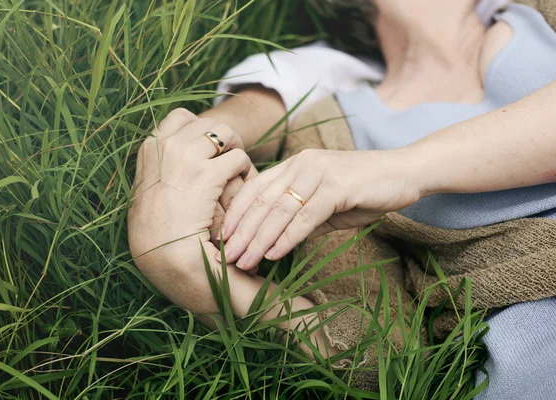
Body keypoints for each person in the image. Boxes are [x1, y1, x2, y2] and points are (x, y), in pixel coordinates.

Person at [128, 0, 556, 398]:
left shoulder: (537, 11)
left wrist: (403, 168)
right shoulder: (330, 135)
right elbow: (379, 356)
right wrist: (193, 273)